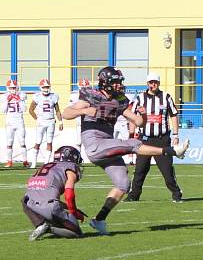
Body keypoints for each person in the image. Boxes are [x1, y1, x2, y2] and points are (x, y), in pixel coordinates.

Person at [61, 66, 190, 235]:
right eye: (116, 82)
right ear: (106, 83)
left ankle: (99, 220)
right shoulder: (91, 96)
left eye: (120, 82)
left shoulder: (119, 100)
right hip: (94, 144)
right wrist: (84, 110)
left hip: (107, 145)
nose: (119, 85)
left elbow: (138, 122)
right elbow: (66, 113)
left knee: (123, 184)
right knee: (132, 143)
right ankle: (173, 151)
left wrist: (143, 116)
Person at [126, 73, 184, 203]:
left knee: (167, 170)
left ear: (159, 83)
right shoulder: (140, 98)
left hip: (161, 139)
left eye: (155, 82)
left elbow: (173, 115)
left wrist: (175, 134)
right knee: (140, 170)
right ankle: (133, 196)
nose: (153, 85)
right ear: (147, 84)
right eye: (151, 82)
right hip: (144, 139)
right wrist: (131, 135)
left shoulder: (166, 97)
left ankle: (176, 193)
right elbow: (132, 118)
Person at [22, 145, 86, 240]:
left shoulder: (45, 166)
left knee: (25, 199)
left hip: (28, 205)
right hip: (49, 208)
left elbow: (40, 193)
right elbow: (69, 195)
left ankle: (41, 224)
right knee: (76, 233)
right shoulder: (70, 168)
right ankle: (48, 228)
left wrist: (67, 207)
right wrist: (74, 212)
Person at [28, 79, 63, 168]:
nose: (46, 88)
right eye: (44, 87)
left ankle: (46, 163)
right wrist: (37, 119)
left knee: (49, 142)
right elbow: (30, 110)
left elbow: (57, 110)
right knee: (38, 142)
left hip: (51, 121)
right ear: (40, 87)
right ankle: (34, 163)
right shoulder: (37, 96)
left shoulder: (54, 96)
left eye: (47, 86)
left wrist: (60, 122)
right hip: (41, 121)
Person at [3, 79, 28, 167]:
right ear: (8, 88)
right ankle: (9, 161)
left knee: (22, 141)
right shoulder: (4, 96)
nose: (13, 89)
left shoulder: (21, 95)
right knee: (9, 142)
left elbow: (24, 109)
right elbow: (2, 110)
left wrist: (19, 100)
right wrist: (7, 101)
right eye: (11, 88)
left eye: (14, 87)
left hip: (19, 121)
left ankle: (25, 161)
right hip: (10, 121)